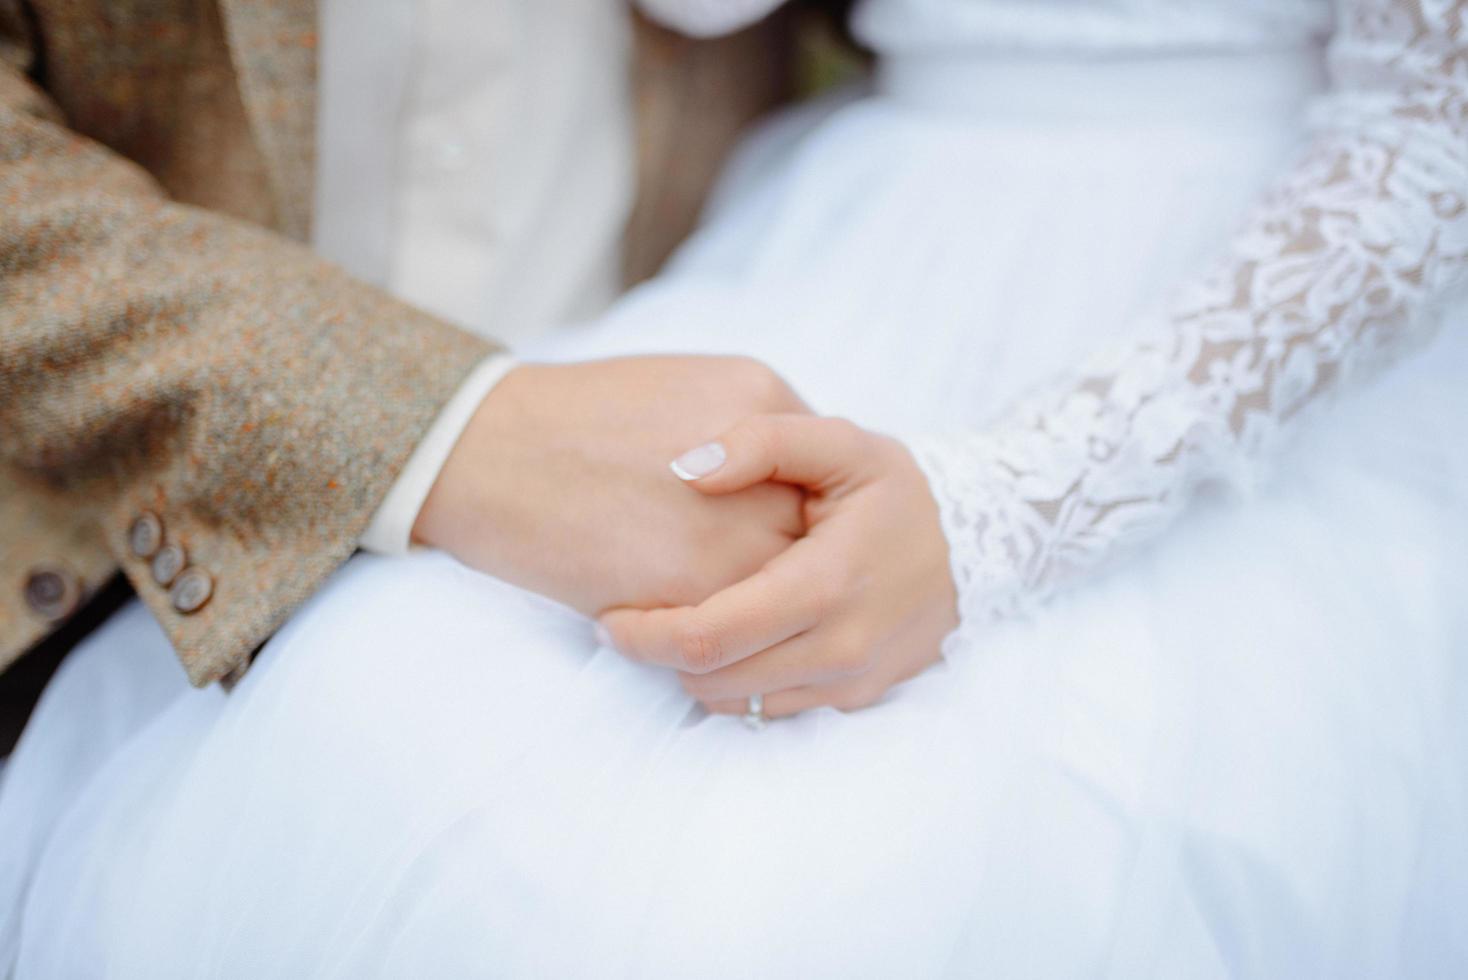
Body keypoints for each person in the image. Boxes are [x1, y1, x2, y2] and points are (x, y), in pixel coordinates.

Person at [5, 0, 1468, 975]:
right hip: (860, 248)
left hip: (1240, 334)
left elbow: (1426, 149)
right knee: (385, 732)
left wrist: (999, 510)